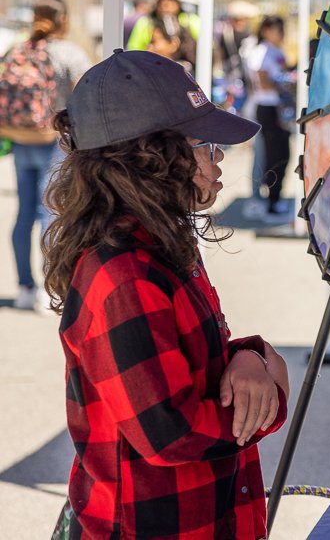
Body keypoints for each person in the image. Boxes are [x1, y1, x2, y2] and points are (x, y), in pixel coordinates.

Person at [44, 50, 289, 539]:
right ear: (149, 157)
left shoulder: (163, 244)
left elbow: (190, 360)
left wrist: (247, 357)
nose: (217, 159)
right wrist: (271, 403)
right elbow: (169, 432)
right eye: (204, 145)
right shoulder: (123, 274)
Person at [0, 0, 90, 311]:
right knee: (49, 214)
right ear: (63, 20)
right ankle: (50, 288)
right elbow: (85, 97)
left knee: (24, 214)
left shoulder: (16, 49)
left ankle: (25, 288)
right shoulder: (69, 52)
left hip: (21, 138)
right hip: (55, 139)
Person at [242, 15, 293, 220]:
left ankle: (275, 197)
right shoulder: (260, 52)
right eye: (274, 28)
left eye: (281, 28)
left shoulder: (278, 51)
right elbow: (263, 83)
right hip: (267, 108)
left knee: (283, 155)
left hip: (280, 108)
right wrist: (286, 84)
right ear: (264, 31)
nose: (279, 33)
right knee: (272, 157)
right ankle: (270, 201)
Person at [127, 0, 200, 52]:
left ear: (178, 5)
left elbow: (204, 45)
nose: (165, 5)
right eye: (162, 2)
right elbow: (134, 48)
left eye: (170, 1)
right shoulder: (146, 22)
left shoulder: (189, 21)